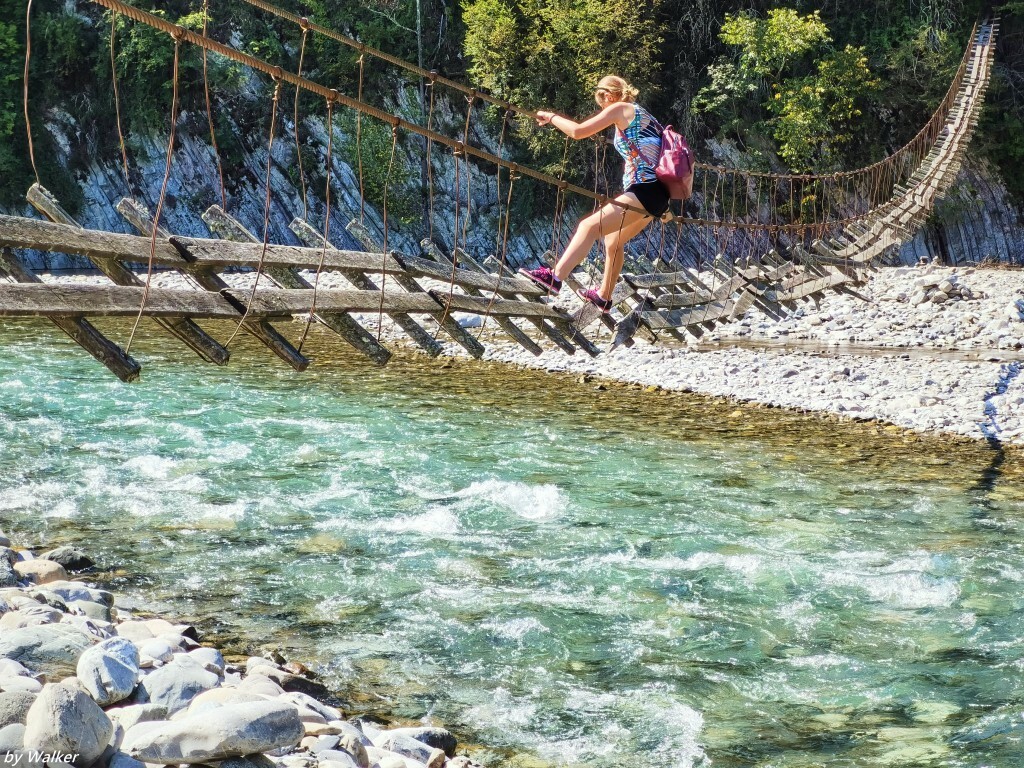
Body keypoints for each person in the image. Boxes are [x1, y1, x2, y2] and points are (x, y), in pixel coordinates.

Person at [519, 75, 669, 313]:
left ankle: (554, 278)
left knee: (589, 226)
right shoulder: (646, 116)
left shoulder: (620, 108)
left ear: (608, 96)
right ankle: (604, 297)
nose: (602, 110)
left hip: (644, 189)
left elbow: (578, 132)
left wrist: (551, 117)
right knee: (613, 241)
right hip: (658, 195)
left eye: (602, 105)